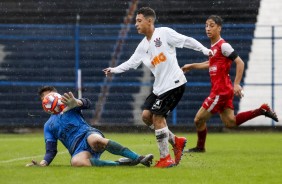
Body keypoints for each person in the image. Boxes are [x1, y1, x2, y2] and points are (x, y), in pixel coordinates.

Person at [103, 7, 213, 168]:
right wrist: (114, 69)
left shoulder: (164, 33)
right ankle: (176, 141)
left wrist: (204, 49)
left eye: (139, 21)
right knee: (146, 116)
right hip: (159, 87)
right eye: (135, 21)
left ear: (150, 21)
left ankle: (165, 158)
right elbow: (132, 62)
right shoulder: (143, 45)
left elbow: (186, 40)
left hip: (174, 83)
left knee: (158, 118)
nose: (136, 24)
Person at [181, 15, 279, 153]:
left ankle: (200, 147)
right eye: (206, 26)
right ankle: (261, 110)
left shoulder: (223, 46)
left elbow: (240, 62)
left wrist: (237, 84)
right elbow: (211, 63)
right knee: (230, 122)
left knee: (198, 119)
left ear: (219, 28)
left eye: (211, 25)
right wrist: (192, 66)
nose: (208, 29)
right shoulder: (213, 48)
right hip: (223, 90)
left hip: (220, 91)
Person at [26, 86, 153, 167]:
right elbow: (51, 150)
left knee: (95, 140)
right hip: (78, 149)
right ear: (43, 103)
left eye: (51, 95)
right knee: (76, 162)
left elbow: (88, 103)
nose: (50, 98)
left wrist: (77, 102)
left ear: (58, 95)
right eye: (45, 97)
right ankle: (120, 164)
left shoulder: (70, 106)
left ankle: (139, 158)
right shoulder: (48, 126)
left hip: (88, 134)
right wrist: (43, 163)